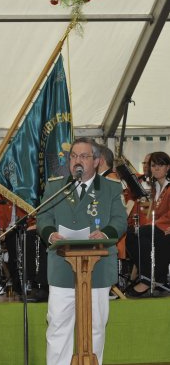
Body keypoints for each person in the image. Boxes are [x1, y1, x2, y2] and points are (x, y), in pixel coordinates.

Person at [37, 137, 127, 365]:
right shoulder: (56, 186)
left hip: (97, 267)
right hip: (62, 266)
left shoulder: (111, 188)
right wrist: (50, 234)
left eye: (84, 156)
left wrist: (105, 233)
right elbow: (43, 217)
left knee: (95, 326)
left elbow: (119, 220)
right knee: (58, 325)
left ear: (96, 161)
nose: (77, 161)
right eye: (74, 156)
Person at [125, 151, 170, 297]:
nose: (156, 168)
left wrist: (157, 224)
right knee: (131, 234)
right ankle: (149, 278)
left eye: (160, 165)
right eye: (153, 165)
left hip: (166, 228)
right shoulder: (155, 187)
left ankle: (150, 280)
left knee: (142, 233)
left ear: (168, 167)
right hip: (159, 227)